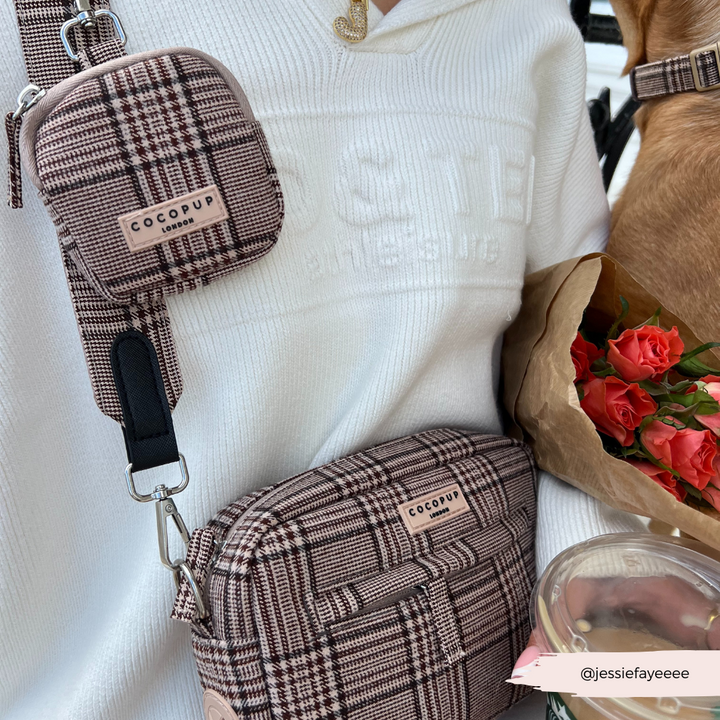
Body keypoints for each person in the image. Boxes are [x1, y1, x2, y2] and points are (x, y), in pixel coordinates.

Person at [0, 0, 645, 717]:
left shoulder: (524, 26)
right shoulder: (32, 36)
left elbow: (576, 386)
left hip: (495, 670)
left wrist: (609, 659)